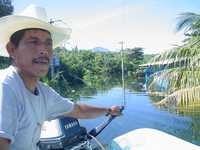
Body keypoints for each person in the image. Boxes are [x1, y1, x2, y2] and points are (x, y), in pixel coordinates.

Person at [0, 5, 122, 150]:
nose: (44, 50)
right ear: (12, 49)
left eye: (48, 43)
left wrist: (109, 110)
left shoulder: (42, 92)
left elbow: (79, 110)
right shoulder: (5, 88)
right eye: (33, 41)